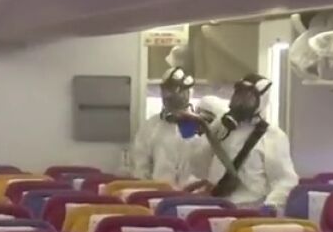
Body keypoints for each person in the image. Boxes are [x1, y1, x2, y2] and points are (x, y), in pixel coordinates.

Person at [184, 74, 299, 209]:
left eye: (247, 98)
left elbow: (285, 181)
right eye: (238, 95)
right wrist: (207, 134)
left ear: (261, 101)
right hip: (216, 206)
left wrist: (270, 206)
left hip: (249, 209)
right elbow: (198, 168)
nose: (240, 102)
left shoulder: (272, 137)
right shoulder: (222, 127)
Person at [128, 67, 212, 190]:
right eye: (166, 92)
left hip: (195, 195)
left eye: (177, 92)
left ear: (189, 93)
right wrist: (147, 191)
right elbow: (139, 167)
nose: (170, 96)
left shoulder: (202, 127)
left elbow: (210, 166)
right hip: (158, 194)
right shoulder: (150, 127)